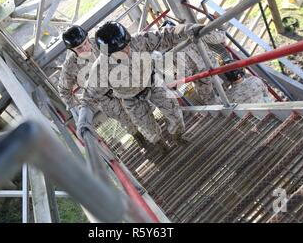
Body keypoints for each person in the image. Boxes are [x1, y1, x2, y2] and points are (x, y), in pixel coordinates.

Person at [82, 21, 225, 153]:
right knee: (149, 129)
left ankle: (177, 136)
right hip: (131, 99)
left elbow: (166, 35)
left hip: (153, 83)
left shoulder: (137, 41)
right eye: (120, 51)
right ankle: (161, 145)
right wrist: (84, 122)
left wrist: (190, 29)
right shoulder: (100, 70)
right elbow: (89, 96)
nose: (127, 51)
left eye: (126, 45)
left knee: (176, 115)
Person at [57, 25, 148, 147]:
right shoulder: (70, 67)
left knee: (141, 109)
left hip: (123, 85)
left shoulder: (102, 44)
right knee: (125, 120)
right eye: (79, 48)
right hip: (105, 99)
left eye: (85, 43)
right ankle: (140, 138)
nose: (85, 48)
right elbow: (63, 90)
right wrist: (76, 109)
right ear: (72, 50)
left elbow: (125, 50)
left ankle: (153, 133)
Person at [160, 20, 226, 105]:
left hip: (200, 75)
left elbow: (185, 72)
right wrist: (223, 36)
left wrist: (177, 79)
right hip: (210, 66)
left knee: (211, 98)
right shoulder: (188, 32)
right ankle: (226, 104)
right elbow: (213, 37)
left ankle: (221, 109)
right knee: (220, 88)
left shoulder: (170, 50)